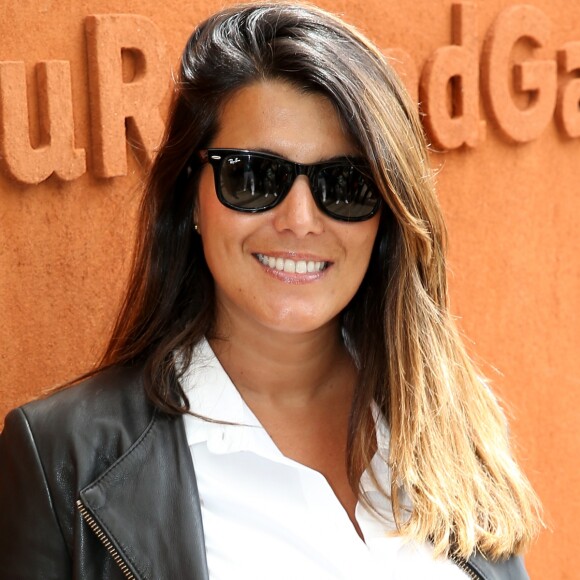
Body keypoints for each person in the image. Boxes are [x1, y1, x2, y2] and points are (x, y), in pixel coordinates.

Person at [0, 2, 543, 579]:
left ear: (386, 213)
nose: (301, 220)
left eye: (346, 183)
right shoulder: (62, 461)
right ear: (191, 198)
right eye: (254, 176)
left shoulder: (450, 425)